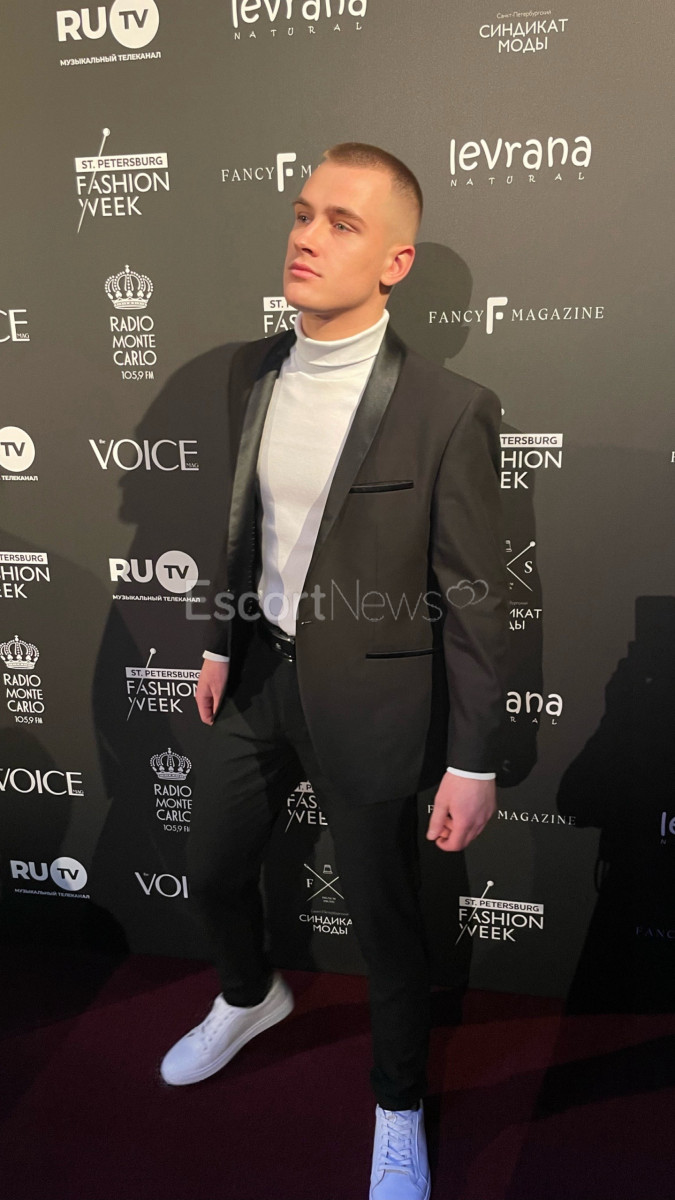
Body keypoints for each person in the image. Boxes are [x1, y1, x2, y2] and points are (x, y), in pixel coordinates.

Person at [160, 142, 509, 1200]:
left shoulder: (448, 407)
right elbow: (247, 529)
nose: (307, 237)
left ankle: (397, 1106)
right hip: (257, 674)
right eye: (303, 213)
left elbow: (475, 596)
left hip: (373, 699)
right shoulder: (252, 370)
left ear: (395, 262)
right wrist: (219, 639)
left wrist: (473, 760)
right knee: (213, 867)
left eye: (341, 224)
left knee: (386, 923)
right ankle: (247, 994)